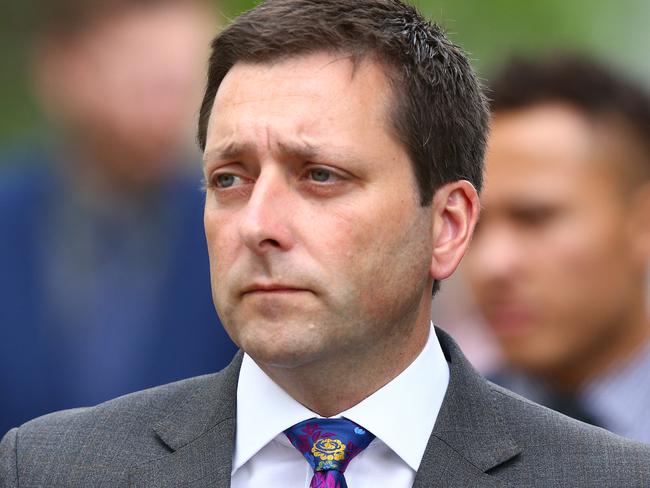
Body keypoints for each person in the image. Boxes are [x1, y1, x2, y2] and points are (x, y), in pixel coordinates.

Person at [2, 2, 649, 486]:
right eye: (229, 179)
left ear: (448, 225)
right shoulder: (49, 467)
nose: (258, 223)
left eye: (320, 176)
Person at [0, 0, 237, 436]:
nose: (173, 111)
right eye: (150, 81)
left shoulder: (240, 230)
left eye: (190, 85)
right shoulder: (10, 222)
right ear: (64, 67)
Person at [464, 55, 650, 442]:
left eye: (535, 219)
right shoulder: (436, 437)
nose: (493, 263)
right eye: (473, 227)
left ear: (642, 223)